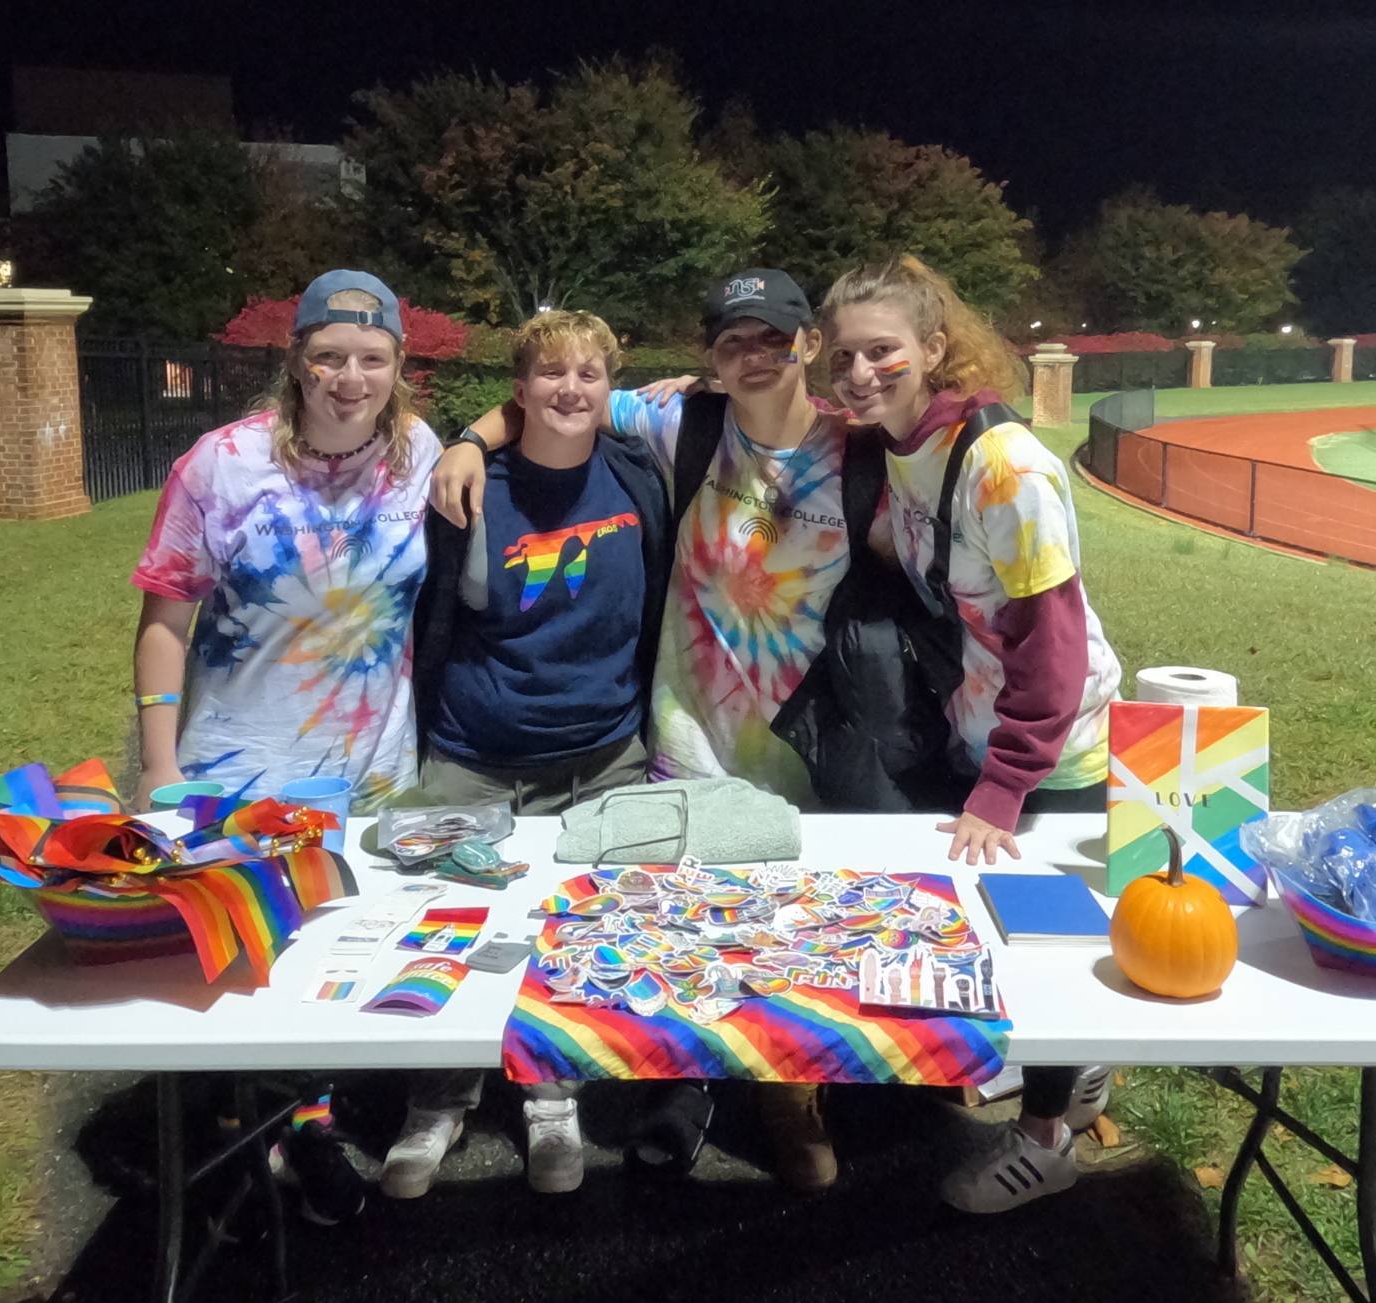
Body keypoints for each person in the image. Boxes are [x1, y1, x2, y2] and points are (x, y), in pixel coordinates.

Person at [430, 269, 854, 1193]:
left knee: (789, 919)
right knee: (681, 917)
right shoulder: (680, 423)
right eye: (731, 341)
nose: (751, 356)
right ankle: (683, 1081)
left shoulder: (853, 447)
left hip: (804, 730)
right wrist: (469, 437)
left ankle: (789, 1096)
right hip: (687, 723)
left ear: (807, 346)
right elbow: (552, 401)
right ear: (710, 354)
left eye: (771, 340)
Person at [820, 254, 1122, 1214]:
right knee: (1002, 934)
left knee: (1041, 951)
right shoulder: (900, 442)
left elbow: (1054, 637)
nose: (861, 372)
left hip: (1054, 746)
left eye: (884, 351)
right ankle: (1072, 1077)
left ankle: (1046, 1140)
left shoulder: (1006, 463)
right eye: (845, 356)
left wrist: (1009, 778)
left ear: (934, 349)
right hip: (979, 728)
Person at [384, 310, 671, 1198]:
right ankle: (439, 1096)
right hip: (479, 750)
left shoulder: (637, 475)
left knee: (578, 930)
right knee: (445, 928)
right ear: (520, 386)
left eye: (590, 374)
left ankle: (553, 1092)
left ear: (610, 388)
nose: (570, 389)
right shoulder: (470, 486)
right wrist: (472, 439)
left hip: (604, 753)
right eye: (551, 373)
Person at [130, 269, 440, 813]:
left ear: (398, 364)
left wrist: (480, 439)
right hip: (237, 778)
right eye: (329, 356)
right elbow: (165, 623)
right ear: (296, 358)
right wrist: (158, 766)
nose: (350, 379)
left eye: (372, 359)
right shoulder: (221, 465)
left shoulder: (416, 451)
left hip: (376, 784)